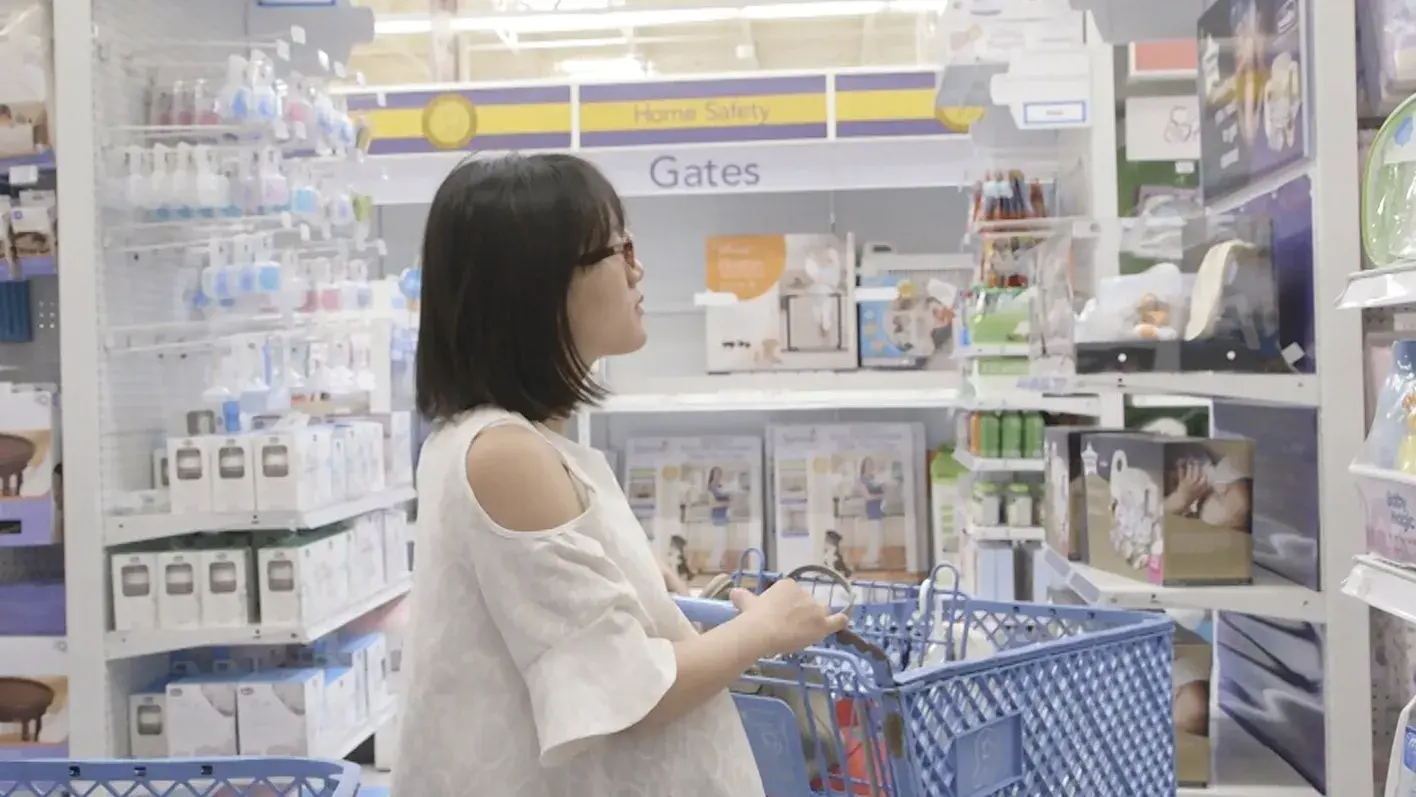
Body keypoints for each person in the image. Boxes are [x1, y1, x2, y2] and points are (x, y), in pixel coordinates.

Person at [395, 153, 848, 797]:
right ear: (540, 282)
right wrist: (763, 628)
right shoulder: (504, 454)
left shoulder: (500, 440)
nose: (639, 268)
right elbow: (621, 695)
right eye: (619, 248)